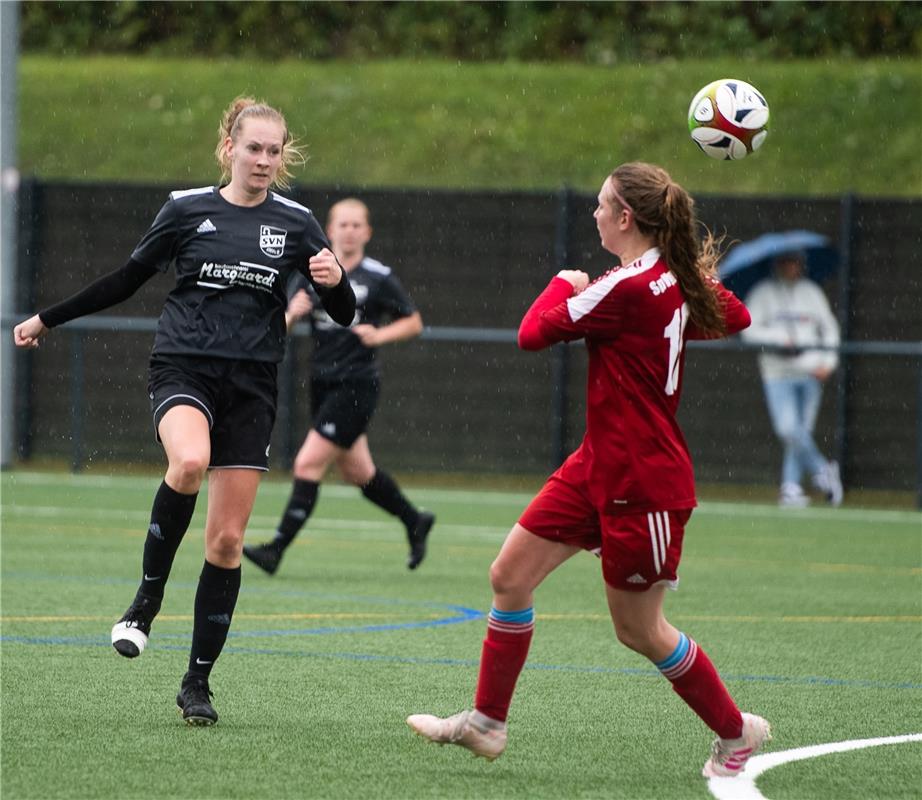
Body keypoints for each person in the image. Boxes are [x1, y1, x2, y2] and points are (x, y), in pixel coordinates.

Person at [406, 162, 771, 778]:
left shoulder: (625, 286)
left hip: (643, 481)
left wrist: (561, 282)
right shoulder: (665, 280)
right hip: (596, 465)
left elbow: (531, 334)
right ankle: (488, 724)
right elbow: (734, 315)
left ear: (626, 218)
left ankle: (736, 733)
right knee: (509, 576)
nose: (595, 214)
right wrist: (683, 288)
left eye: (602, 206)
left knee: (641, 632)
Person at [13, 96, 356, 726]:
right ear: (229, 147)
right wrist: (46, 317)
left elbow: (344, 313)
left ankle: (197, 683)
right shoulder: (186, 209)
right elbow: (124, 279)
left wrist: (336, 284)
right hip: (184, 368)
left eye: (274, 151)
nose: (263, 160)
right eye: (253, 147)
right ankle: (146, 600)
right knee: (189, 461)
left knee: (226, 542)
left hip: (252, 388)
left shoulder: (299, 221)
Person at [242, 198, 434, 575]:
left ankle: (275, 549)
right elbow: (279, 326)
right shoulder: (314, 271)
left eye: (355, 225)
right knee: (357, 471)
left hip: (357, 385)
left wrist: (378, 336)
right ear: (329, 231)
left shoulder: (377, 276)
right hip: (322, 382)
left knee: (307, 463)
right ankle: (414, 519)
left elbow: (413, 322)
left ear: (367, 232)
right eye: (341, 225)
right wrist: (291, 313)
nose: (348, 231)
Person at [741, 251, 842, 508]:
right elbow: (749, 330)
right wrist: (778, 338)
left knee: (801, 431)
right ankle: (823, 470)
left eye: (794, 261)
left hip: (810, 371)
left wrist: (827, 363)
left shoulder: (812, 292)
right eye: (785, 261)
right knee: (788, 428)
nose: (790, 266)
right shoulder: (763, 292)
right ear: (777, 263)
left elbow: (829, 328)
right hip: (777, 373)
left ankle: (790, 487)